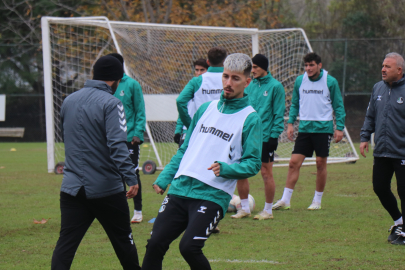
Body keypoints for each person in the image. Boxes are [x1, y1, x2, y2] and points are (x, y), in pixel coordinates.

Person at [141, 53, 262, 270]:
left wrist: (226, 168)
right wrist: (166, 176)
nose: (228, 83)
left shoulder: (250, 118)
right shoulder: (206, 109)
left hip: (212, 194)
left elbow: (253, 163)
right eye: (226, 76)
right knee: (155, 245)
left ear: (247, 81)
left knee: (188, 248)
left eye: (235, 78)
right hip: (180, 188)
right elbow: (185, 149)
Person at [51, 55, 141, 270]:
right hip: (106, 188)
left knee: (65, 245)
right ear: (117, 79)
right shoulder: (112, 103)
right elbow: (118, 146)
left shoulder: (68, 100)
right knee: (124, 244)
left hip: (72, 187)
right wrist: (131, 178)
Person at [272, 52, 346, 211]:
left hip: (323, 129)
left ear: (319, 65)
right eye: (306, 65)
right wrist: (290, 123)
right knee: (293, 163)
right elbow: (295, 104)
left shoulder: (330, 81)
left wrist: (339, 127)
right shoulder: (300, 80)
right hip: (305, 128)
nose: (308, 68)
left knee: (320, 163)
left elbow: (338, 106)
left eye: (311, 65)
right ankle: (285, 200)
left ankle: (317, 201)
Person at [231, 54, 286, 220]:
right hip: (245, 136)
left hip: (265, 137)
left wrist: (274, 137)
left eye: (255, 67)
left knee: (266, 172)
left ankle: (268, 211)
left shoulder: (275, 87)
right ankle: (245, 208)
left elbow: (278, 113)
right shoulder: (248, 85)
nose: (252, 70)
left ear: (264, 67)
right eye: (251, 68)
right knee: (241, 172)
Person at [360, 52, 405, 245]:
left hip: (402, 152)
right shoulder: (377, 88)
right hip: (382, 151)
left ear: (399, 70)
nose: (383, 69)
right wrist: (364, 137)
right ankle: (399, 222)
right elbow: (370, 115)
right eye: (382, 65)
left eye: (387, 66)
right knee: (379, 187)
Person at [108, 53, 146, 224]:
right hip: (109, 138)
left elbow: (140, 111)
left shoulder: (132, 84)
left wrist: (138, 133)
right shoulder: (105, 85)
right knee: (112, 174)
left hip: (129, 138)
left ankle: (137, 211)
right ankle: (116, 210)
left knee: (131, 174)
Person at [176, 47, 227, 130]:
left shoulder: (197, 81)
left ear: (208, 62)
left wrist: (190, 125)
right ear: (225, 61)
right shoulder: (232, 79)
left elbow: (180, 101)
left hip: (202, 129)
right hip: (224, 128)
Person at [174, 58, 209, 147]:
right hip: (188, 130)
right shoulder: (190, 89)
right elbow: (182, 111)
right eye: (197, 70)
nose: (199, 73)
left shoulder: (208, 90)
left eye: (202, 70)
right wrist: (178, 130)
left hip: (204, 130)